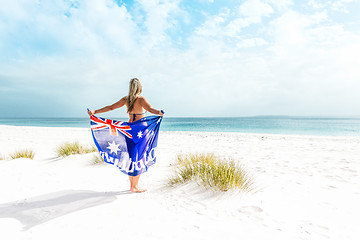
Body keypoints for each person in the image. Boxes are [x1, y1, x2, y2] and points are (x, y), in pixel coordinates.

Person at [88, 78, 164, 193]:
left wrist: (95, 112)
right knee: (140, 156)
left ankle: (132, 186)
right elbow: (150, 109)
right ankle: (135, 186)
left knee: (132, 157)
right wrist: (159, 112)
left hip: (129, 130)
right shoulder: (141, 99)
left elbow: (110, 107)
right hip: (141, 131)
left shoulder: (126, 100)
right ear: (140, 87)